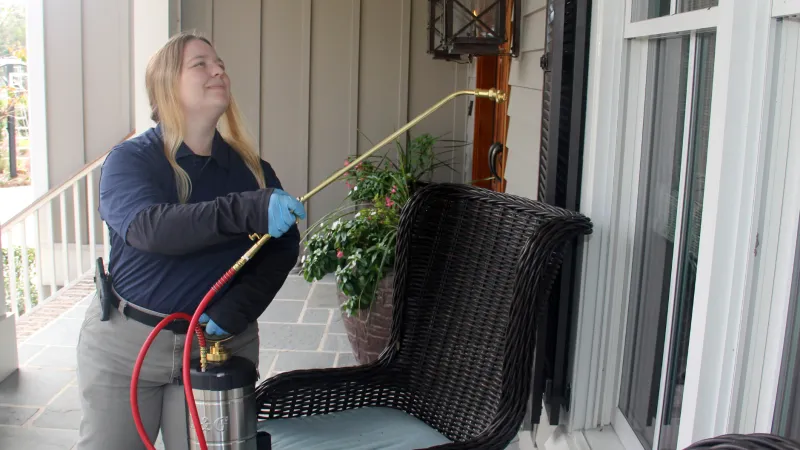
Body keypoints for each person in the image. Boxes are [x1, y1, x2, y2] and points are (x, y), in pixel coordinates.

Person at [75, 31, 305, 449]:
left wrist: (241, 304)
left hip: (217, 346)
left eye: (220, 64)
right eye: (201, 64)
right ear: (166, 85)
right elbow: (150, 227)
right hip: (127, 347)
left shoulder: (251, 171)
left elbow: (284, 247)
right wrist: (245, 210)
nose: (219, 70)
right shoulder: (130, 160)